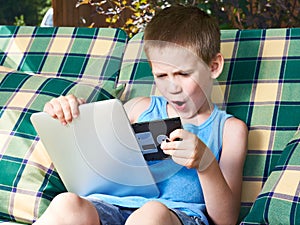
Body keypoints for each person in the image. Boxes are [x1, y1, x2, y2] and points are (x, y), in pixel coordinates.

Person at [33, 5, 248, 225]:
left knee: (152, 213)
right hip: (109, 207)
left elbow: (225, 220)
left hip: (176, 216)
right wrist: (71, 113)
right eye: (161, 75)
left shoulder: (230, 130)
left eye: (183, 74)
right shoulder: (137, 109)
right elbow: (93, 150)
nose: (172, 87)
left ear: (213, 66)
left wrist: (206, 163)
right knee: (66, 204)